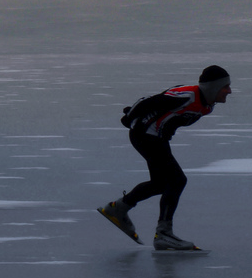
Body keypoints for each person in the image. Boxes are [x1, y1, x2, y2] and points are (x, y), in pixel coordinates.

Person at [97, 65, 232, 250]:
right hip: (144, 135)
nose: (229, 91)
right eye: (225, 87)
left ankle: (118, 208)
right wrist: (129, 117)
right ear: (213, 87)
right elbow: (149, 101)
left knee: (161, 183)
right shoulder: (187, 96)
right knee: (177, 180)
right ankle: (164, 234)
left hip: (155, 137)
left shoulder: (207, 104)